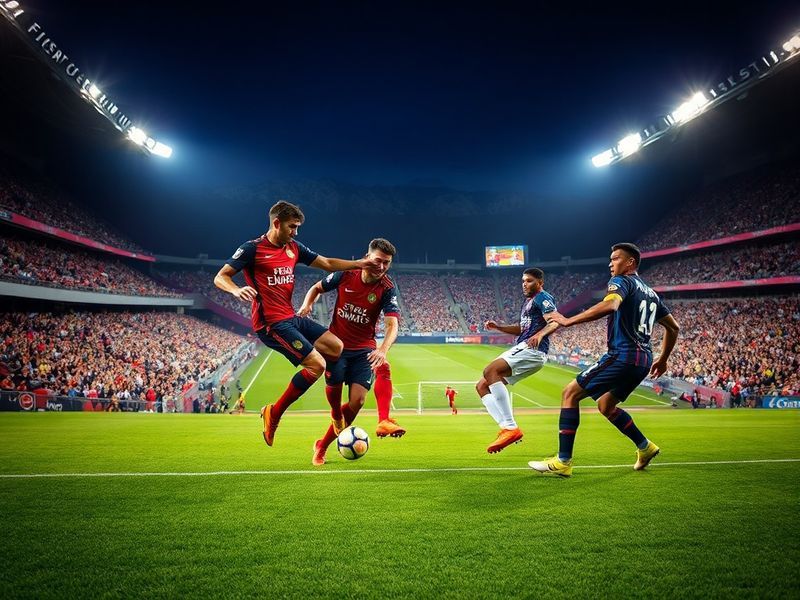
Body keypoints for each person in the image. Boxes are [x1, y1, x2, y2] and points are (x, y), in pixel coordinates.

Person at [214, 200, 379, 446]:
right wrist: (236, 290)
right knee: (317, 365)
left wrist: (359, 264)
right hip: (271, 323)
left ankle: (335, 408)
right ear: (276, 223)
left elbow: (326, 263)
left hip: (291, 317)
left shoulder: (294, 247)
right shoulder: (252, 249)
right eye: (292, 227)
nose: (295, 232)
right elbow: (221, 276)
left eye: (298, 227)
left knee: (336, 347)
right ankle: (274, 413)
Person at [529, 243, 680, 477]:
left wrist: (569, 320)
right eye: (610, 259)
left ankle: (563, 461)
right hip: (644, 359)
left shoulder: (622, 282)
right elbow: (674, 327)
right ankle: (645, 447)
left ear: (630, 263)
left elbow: (611, 304)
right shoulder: (651, 293)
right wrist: (663, 358)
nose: (611, 263)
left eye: (616, 258)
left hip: (623, 354)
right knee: (606, 406)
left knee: (570, 393)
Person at [297, 238, 403, 466]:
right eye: (378, 261)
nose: (381, 267)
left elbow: (393, 324)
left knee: (358, 400)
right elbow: (316, 288)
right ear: (367, 256)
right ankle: (335, 415)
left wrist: (383, 349)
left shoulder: (387, 287)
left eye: (387, 263)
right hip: (336, 347)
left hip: (364, 349)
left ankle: (321, 446)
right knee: (334, 399)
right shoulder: (346, 274)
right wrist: (308, 304)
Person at [477, 268, 559, 453]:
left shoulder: (543, 298)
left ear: (540, 283)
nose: (524, 284)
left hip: (533, 350)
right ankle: (506, 428)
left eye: (529, 281)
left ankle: (511, 427)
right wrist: (499, 327)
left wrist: (540, 334)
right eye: (523, 280)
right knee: (482, 386)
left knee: (490, 371)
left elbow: (554, 321)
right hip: (525, 346)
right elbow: (522, 330)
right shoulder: (528, 303)